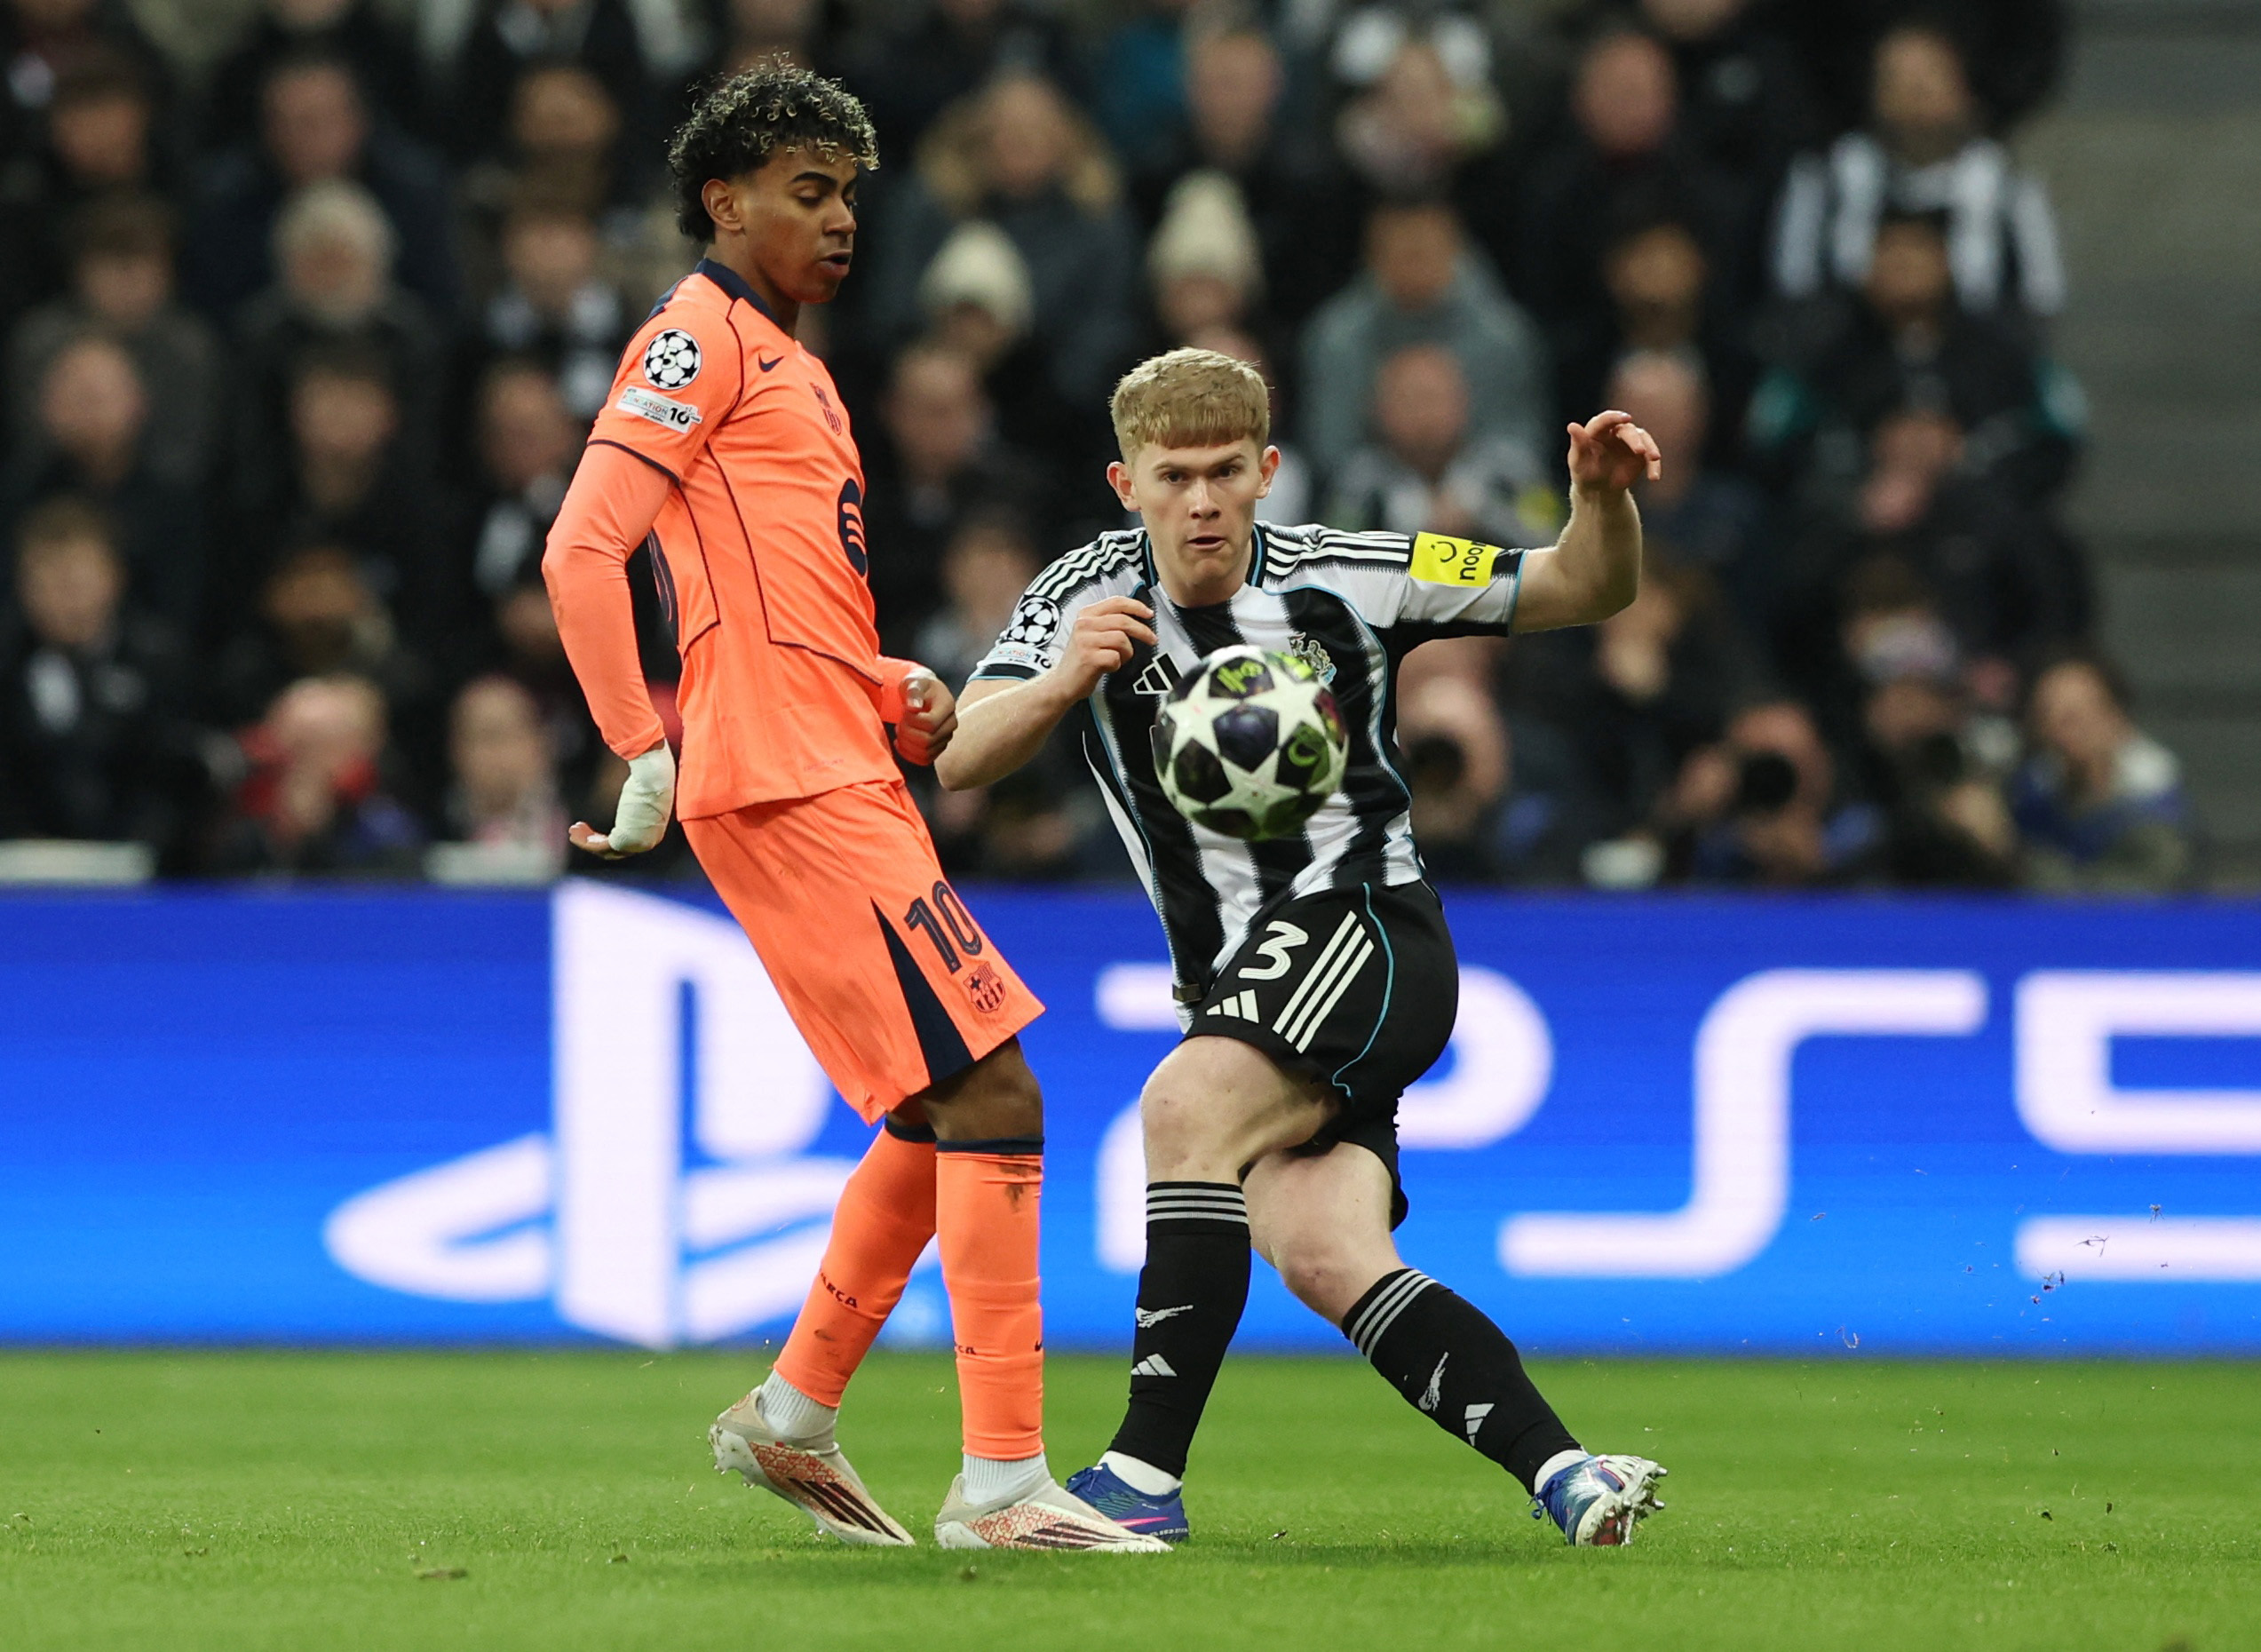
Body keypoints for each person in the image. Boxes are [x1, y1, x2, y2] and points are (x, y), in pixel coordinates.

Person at [537, 63, 1162, 1554]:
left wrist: (891, 686)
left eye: (848, 196)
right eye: (807, 192)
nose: (838, 222)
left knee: (930, 1103)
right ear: (724, 199)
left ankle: (795, 1414)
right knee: (993, 1091)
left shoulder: (789, 361)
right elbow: (582, 548)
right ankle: (1002, 1486)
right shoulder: (696, 337)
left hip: (832, 753)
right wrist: (641, 742)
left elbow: (771, 596)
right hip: (778, 779)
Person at [936, 346, 1670, 1545]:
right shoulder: (1078, 592)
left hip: (1365, 927)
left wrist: (1600, 498)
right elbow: (961, 755)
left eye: (1227, 469)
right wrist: (1066, 678)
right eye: (1172, 475)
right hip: (1236, 987)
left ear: (1268, 469)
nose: (1203, 499)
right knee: (1325, 1250)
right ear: (1125, 484)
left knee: (1181, 1112)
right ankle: (1568, 1476)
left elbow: (1583, 589)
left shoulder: (1352, 572)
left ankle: (1140, 1483)